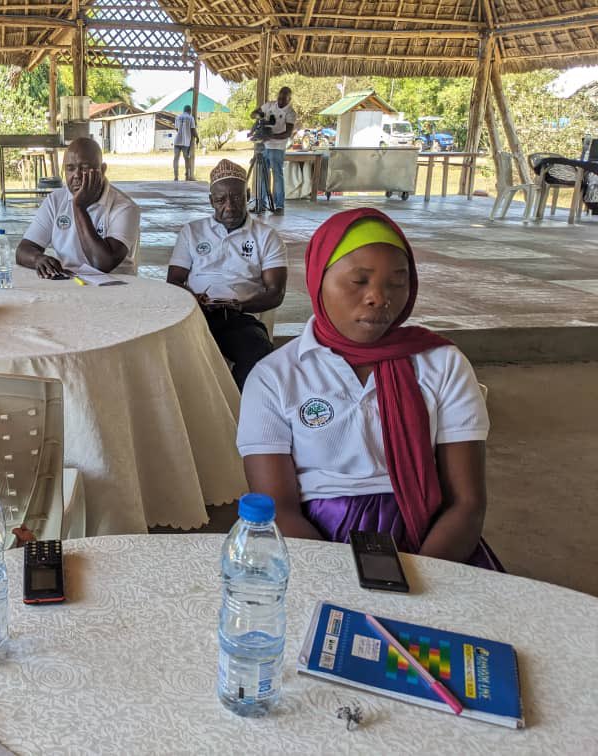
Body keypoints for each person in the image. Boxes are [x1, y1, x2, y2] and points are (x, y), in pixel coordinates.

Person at [237, 208, 501, 569]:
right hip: (316, 542)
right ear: (318, 280)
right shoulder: (275, 376)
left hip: (434, 541)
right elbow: (277, 509)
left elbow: (466, 504)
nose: (379, 297)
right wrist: (339, 580)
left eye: (396, 282)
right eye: (359, 281)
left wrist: (424, 575)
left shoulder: (442, 363)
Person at [167, 159, 287, 391]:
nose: (229, 206)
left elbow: (276, 293)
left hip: (239, 318)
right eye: (221, 200)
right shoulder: (192, 232)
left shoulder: (266, 237)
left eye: (236, 197)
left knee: (257, 351)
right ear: (211, 201)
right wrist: (194, 300)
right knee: (161, 348)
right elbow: (174, 281)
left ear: (248, 195)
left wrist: (239, 306)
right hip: (195, 314)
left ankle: (234, 408)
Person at [16, 137, 140, 278]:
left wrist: (79, 207)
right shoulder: (55, 200)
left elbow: (103, 264)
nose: (76, 175)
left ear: (103, 170)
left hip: (115, 285)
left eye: (85, 168)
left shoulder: (124, 207)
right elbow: (23, 250)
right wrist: (38, 259)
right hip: (71, 281)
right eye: (70, 168)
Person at [251, 87, 296, 215]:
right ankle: (261, 204)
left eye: (284, 98)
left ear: (289, 99)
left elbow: (287, 133)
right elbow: (254, 113)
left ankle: (279, 206)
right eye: (279, 97)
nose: (280, 100)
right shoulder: (269, 105)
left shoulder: (291, 113)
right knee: (263, 175)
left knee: (277, 176)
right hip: (264, 146)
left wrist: (269, 136)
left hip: (278, 148)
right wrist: (259, 116)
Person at [173, 104, 199, 181]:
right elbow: (193, 130)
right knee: (186, 159)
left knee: (176, 159)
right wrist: (197, 137)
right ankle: (187, 176)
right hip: (185, 142)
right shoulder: (191, 118)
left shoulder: (178, 117)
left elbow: (177, 129)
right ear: (190, 111)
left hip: (177, 141)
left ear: (184, 110)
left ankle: (176, 177)